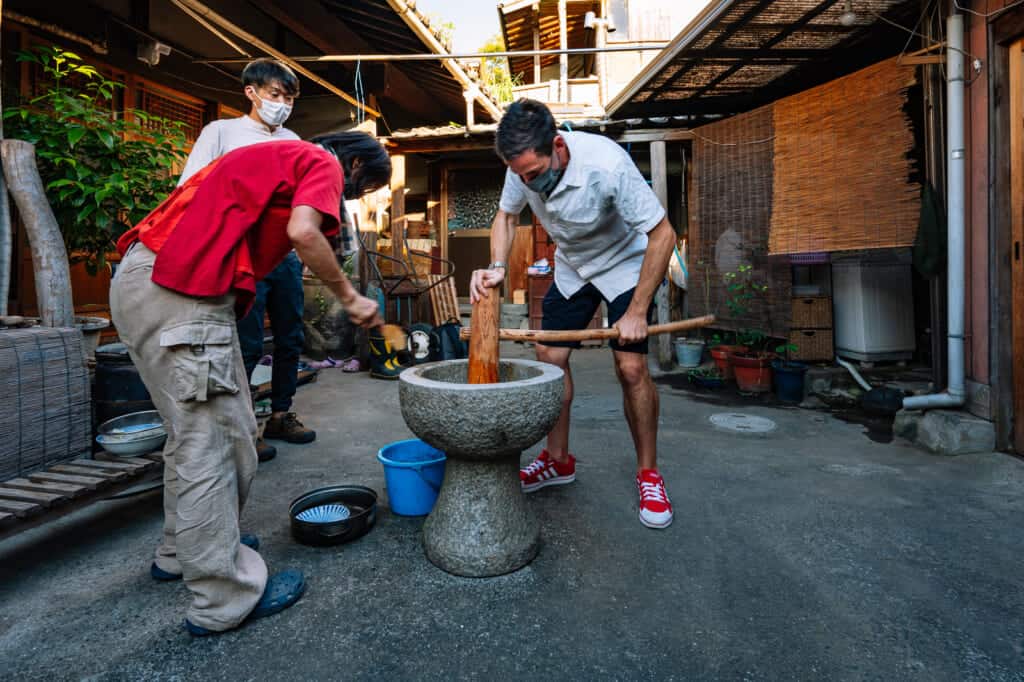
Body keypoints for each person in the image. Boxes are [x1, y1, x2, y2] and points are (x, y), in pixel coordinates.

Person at [110, 133, 390, 634]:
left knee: (193, 435)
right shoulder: (318, 163)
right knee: (216, 444)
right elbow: (305, 233)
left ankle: (184, 550)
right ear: (352, 164)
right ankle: (223, 598)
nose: (343, 202)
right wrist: (350, 297)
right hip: (180, 292)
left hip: (143, 283)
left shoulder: (271, 158)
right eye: (357, 190)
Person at [470, 99, 677, 529]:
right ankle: (558, 459)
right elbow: (506, 217)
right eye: (521, 175)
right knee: (550, 357)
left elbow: (663, 235)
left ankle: (649, 473)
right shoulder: (520, 169)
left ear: (559, 146)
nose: (528, 182)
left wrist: (637, 310)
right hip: (574, 266)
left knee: (632, 367)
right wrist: (496, 268)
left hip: (624, 264)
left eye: (533, 174)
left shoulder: (607, 164)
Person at [179, 58, 311, 463]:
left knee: (291, 337)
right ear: (250, 92)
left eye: (288, 97)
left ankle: (281, 414)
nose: (282, 104)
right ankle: (246, 426)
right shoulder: (221, 132)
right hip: (240, 256)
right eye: (275, 95)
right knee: (246, 343)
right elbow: (190, 187)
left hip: (284, 255)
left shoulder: (293, 139)